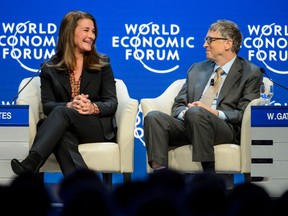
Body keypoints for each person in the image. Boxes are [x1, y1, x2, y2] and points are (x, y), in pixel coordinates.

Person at [144, 19, 263, 173]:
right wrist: (185, 113)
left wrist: (212, 112)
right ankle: (161, 177)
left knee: (197, 112)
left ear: (228, 43)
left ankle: (208, 174)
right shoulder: (196, 69)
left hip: (224, 129)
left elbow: (244, 113)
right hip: (190, 122)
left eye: (210, 40)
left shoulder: (250, 72)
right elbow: (179, 104)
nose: (205, 44)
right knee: (153, 117)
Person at [11, 10, 118, 176]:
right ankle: (82, 187)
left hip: (94, 126)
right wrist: (69, 105)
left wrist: (92, 107)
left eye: (93, 31)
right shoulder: (49, 68)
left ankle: (33, 160)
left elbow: (111, 102)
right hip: (64, 126)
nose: (92, 36)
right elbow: (47, 106)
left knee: (60, 114)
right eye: (86, 30)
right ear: (69, 32)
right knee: (61, 133)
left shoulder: (102, 63)